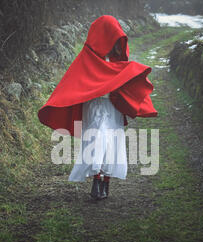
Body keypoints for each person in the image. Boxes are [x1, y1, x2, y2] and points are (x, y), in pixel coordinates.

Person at [38, 15, 157, 200]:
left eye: (118, 39)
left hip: (112, 108)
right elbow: (72, 83)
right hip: (94, 106)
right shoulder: (87, 58)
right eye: (112, 37)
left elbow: (125, 81)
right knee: (96, 141)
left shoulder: (118, 61)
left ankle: (105, 182)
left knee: (111, 143)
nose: (115, 42)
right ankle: (96, 179)